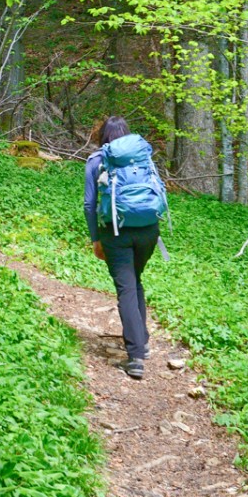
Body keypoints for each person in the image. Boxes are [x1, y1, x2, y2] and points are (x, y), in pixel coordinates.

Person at [84, 116, 161, 380]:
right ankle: (143, 341)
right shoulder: (143, 158)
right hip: (149, 229)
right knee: (135, 281)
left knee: (126, 288)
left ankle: (136, 356)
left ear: (103, 136)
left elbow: (89, 205)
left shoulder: (96, 161)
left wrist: (96, 239)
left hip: (115, 232)